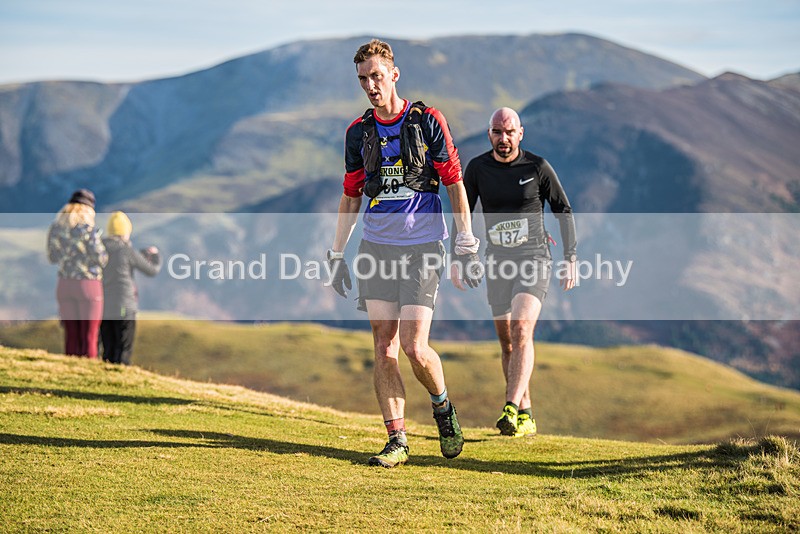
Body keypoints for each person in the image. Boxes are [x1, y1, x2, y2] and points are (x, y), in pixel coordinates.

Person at [327, 39, 483, 468]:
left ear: (394, 74)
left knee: (415, 347)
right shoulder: (358, 133)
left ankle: (442, 406)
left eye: (376, 76)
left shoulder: (427, 121)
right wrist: (336, 253)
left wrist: (465, 244)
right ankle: (397, 439)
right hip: (377, 246)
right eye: (363, 79)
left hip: (422, 247)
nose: (370, 86)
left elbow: (454, 183)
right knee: (383, 346)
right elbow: (350, 195)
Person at [460, 107, 577, 437]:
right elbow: (462, 216)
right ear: (490, 134)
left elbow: (562, 209)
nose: (504, 138)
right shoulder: (478, 168)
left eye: (510, 132)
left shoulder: (537, 167)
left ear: (520, 134)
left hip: (534, 259)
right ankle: (525, 414)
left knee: (522, 327)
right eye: (498, 132)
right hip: (497, 263)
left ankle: (509, 407)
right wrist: (462, 258)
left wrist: (570, 256)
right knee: (508, 343)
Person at [46, 189, 108, 359]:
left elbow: (52, 257)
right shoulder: (89, 231)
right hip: (88, 285)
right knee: (89, 334)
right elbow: (102, 259)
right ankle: (87, 373)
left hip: (64, 284)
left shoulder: (56, 229)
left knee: (71, 334)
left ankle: (70, 369)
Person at [100, 211, 161, 365]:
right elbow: (151, 270)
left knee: (108, 346)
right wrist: (155, 257)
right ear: (125, 232)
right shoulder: (127, 251)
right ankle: (121, 376)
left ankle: (105, 375)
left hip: (104, 305)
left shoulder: (100, 249)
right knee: (123, 346)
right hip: (123, 306)